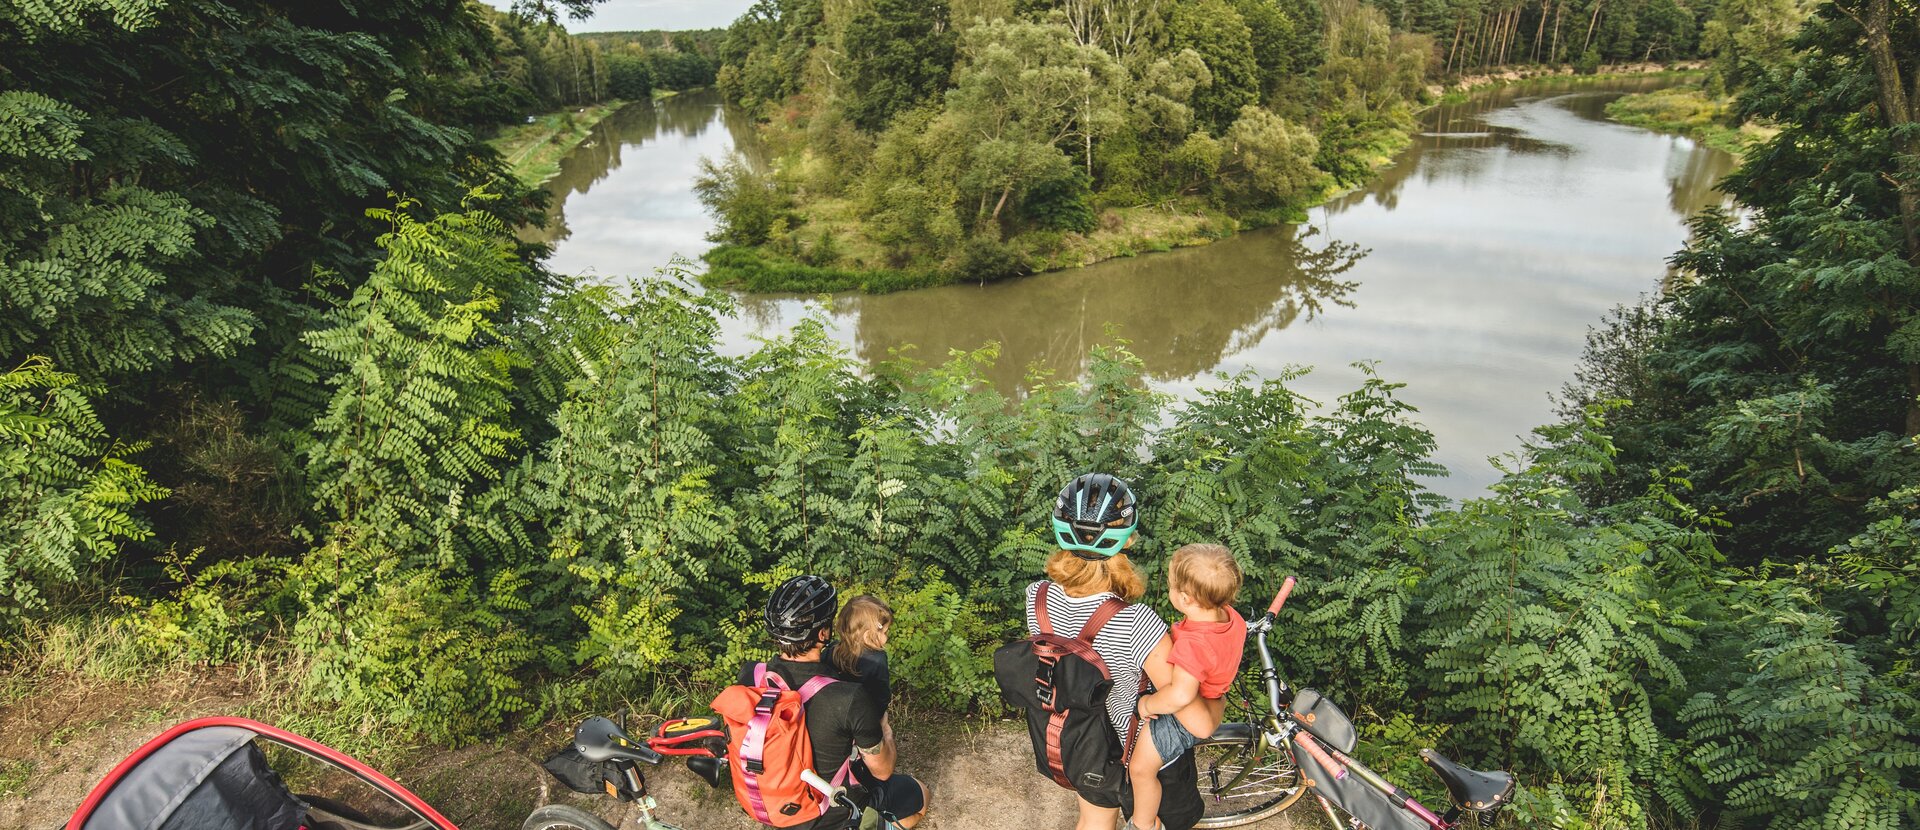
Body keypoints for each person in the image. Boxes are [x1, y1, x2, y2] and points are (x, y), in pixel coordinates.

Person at [1025, 473, 1205, 830]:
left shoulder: (1038, 598)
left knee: (1093, 821)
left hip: (1082, 742)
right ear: (1129, 538)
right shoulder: (1137, 621)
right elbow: (1183, 701)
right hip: (1141, 752)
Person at [742, 576, 929, 829]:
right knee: (921, 795)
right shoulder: (848, 697)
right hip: (832, 813)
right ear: (823, 632)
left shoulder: (752, 676)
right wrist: (886, 730)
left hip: (778, 805)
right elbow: (883, 771)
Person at [1128, 544, 1246, 830]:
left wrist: (1147, 705)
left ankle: (1143, 824)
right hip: (1213, 696)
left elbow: (1180, 695)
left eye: (1170, 585)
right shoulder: (1231, 617)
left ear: (1184, 598)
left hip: (1182, 718)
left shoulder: (1194, 646)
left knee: (1141, 770)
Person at [826, 594, 893, 718]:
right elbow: (882, 695)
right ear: (868, 636)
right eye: (884, 632)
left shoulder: (832, 650)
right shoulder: (878, 659)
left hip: (833, 715)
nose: (886, 637)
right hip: (864, 718)